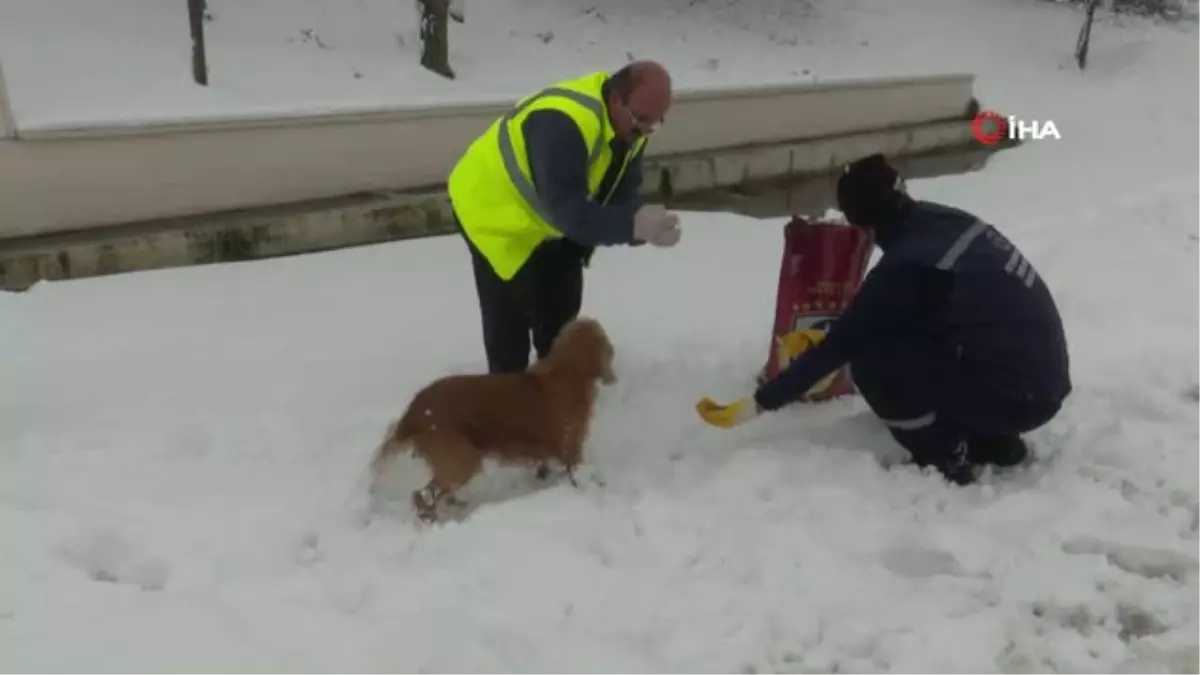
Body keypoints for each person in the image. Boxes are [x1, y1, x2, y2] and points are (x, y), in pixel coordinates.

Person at [696, 153, 1072, 485]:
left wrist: (759, 403)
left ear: (863, 222)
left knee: (876, 361)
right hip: (1041, 380)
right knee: (907, 337)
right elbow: (910, 309)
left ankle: (942, 455)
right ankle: (993, 440)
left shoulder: (909, 266)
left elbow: (848, 341)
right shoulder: (942, 222)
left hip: (1017, 394)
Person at [446, 61, 683, 374]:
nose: (647, 130)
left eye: (657, 122)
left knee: (561, 312)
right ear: (616, 99)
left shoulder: (630, 125)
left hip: (549, 221)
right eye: (643, 119)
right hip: (494, 214)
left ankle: (553, 389)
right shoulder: (561, 123)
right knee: (510, 323)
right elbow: (568, 212)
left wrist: (644, 225)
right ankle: (509, 400)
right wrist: (632, 225)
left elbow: (619, 190)